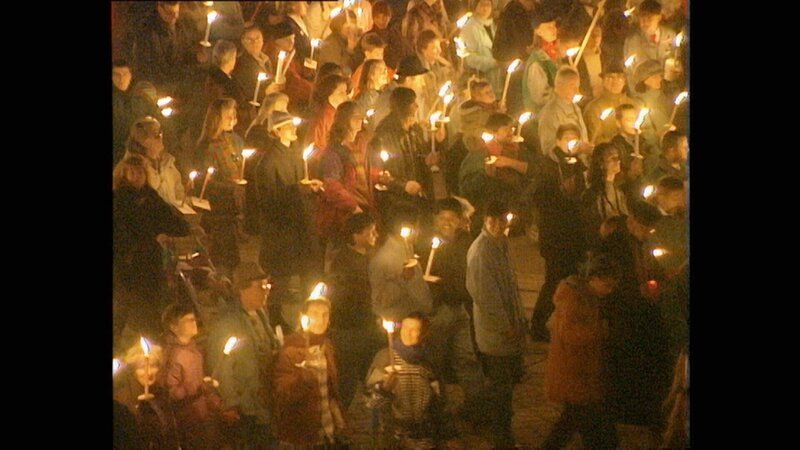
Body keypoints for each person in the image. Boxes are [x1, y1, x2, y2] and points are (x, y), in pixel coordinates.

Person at [596, 199, 671, 432]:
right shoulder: (615, 245)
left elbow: (651, 268)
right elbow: (609, 281)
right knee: (628, 366)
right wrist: (639, 290)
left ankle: (646, 411)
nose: (648, 233)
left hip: (643, 312)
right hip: (624, 315)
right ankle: (629, 412)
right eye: (645, 228)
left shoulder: (642, 242)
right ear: (632, 222)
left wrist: (661, 279)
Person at [541, 252, 621, 450]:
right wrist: (600, 330)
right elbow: (570, 334)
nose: (610, 291)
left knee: (573, 423)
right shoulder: (575, 298)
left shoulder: (589, 296)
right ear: (593, 278)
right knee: (585, 426)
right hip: (574, 373)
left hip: (582, 374)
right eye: (607, 285)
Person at [253, 111, 325, 329]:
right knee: (281, 283)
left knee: (306, 276)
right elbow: (269, 201)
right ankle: (276, 323)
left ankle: (308, 317)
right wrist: (298, 190)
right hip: (283, 233)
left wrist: (310, 188)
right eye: (289, 126)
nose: (294, 129)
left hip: (300, 228)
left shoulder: (293, 154)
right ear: (276, 131)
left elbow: (297, 186)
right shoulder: (267, 163)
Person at [466, 200, 527, 448]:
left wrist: (519, 319)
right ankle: (501, 436)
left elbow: (510, 287)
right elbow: (486, 296)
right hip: (496, 333)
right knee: (501, 388)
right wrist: (506, 326)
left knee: (505, 383)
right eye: (492, 220)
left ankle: (476, 414)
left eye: (502, 220)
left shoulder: (500, 244)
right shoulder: (481, 252)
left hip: (508, 328)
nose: (497, 225)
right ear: (485, 221)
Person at [113, 154, 190, 342]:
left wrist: (184, 227)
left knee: (151, 304)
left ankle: (150, 339)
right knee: (131, 306)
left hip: (152, 264)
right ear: (124, 174)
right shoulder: (118, 199)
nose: (137, 176)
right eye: (132, 172)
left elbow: (168, 219)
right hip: (130, 265)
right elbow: (121, 233)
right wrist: (151, 239)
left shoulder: (151, 196)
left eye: (140, 171)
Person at [206, 262, 281, 449]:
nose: (266, 291)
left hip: (265, 397)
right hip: (247, 405)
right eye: (260, 287)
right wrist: (231, 403)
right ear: (242, 289)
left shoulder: (260, 311)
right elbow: (222, 365)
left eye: (267, 285)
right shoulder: (228, 322)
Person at [529, 124, 589, 342]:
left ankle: (569, 318)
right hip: (555, 234)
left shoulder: (576, 163)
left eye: (575, 139)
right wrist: (561, 191)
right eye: (567, 139)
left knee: (573, 277)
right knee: (554, 278)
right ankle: (538, 323)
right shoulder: (547, 165)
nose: (571, 144)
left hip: (574, 232)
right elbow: (538, 197)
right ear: (558, 141)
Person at [365, 312, 457, 447]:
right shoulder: (385, 358)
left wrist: (444, 433)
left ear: (423, 334)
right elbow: (371, 403)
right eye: (405, 327)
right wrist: (384, 389)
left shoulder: (428, 362)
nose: (407, 333)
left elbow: (439, 401)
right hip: (394, 435)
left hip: (424, 435)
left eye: (414, 329)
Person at [273, 288, 348, 447]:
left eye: (325, 314)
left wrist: (339, 419)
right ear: (303, 317)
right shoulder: (290, 350)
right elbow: (281, 395)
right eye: (314, 313)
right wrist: (302, 379)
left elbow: (329, 390)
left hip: (327, 432)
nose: (320, 319)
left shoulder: (327, 346)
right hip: (303, 436)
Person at [328, 212, 384, 410]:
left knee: (372, 374)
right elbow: (348, 299)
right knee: (348, 380)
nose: (375, 235)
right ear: (356, 235)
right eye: (371, 232)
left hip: (366, 326)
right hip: (351, 330)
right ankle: (337, 422)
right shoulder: (345, 263)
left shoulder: (365, 256)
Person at [369, 87, 444, 213]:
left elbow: (422, 156)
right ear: (403, 106)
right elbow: (378, 172)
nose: (417, 106)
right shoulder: (383, 134)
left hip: (419, 196)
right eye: (413, 103)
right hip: (396, 200)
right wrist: (403, 186)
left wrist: (436, 144)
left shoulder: (414, 129)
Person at [459, 112, 537, 233]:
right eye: (505, 129)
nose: (510, 132)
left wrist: (511, 163)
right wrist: (486, 175)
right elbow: (467, 186)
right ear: (493, 132)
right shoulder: (479, 154)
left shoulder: (521, 150)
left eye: (511, 128)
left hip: (520, 213)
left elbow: (535, 171)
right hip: (491, 215)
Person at [195, 97, 245, 277]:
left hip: (232, 205)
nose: (233, 120)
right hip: (217, 207)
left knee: (231, 251)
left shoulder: (233, 141)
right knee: (221, 251)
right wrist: (229, 186)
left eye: (234, 115)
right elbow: (205, 181)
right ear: (216, 119)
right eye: (228, 117)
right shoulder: (207, 146)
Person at [160, 303, 222, 449]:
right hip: (189, 419)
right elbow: (172, 392)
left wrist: (212, 398)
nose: (194, 322)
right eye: (188, 320)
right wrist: (197, 387)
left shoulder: (193, 350)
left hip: (202, 414)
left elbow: (198, 379)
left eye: (194, 318)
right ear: (174, 327)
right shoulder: (174, 355)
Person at [316, 101, 374, 245]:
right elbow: (332, 185)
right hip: (346, 215)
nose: (360, 120)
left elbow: (366, 172)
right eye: (355, 117)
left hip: (365, 205)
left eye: (361, 116)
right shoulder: (334, 151)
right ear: (344, 120)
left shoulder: (362, 144)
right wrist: (353, 206)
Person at [369, 202, 435, 321]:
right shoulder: (384, 259)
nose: (419, 231)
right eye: (417, 226)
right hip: (400, 324)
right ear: (407, 227)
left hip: (418, 320)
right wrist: (402, 279)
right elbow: (379, 302)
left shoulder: (407, 250)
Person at [114, 341, 181, 449]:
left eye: (153, 365)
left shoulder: (160, 392)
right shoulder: (123, 398)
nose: (149, 372)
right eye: (142, 367)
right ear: (133, 370)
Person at [122, 116, 186, 208]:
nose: (161, 136)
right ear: (143, 141)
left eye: (161, 132)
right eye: (156, 134)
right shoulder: (134, 171)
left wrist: (186, 200)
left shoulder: (168, 163)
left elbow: (179, 194)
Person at [581, 142, 628, 246]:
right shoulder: (592, 194)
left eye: (618, 157)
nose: (617, 161)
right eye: (612, 158)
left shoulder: (619, 190)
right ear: (601, 163)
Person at [537, 66, 590, 158]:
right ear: (559, 86)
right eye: (571, 86)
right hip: (563, 168)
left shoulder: (575, 108)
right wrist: (577, 149)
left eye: (577, 87)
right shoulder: (549, 113)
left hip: (580, 165)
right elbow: (548, 148)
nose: (576, 91)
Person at [583, 62, 641, 146]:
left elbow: (644, 130)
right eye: (610, 77)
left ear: (625, 81)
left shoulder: (635, 105)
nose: (615, 81)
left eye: (619, 77)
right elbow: (595, 139)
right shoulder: (594, 108)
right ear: (603, 80)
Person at [521, 8, 560, 114]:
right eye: (549, 27)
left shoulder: (554, 54)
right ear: (538, 31)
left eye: (554, 25)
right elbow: (541, 97)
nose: (554, 30)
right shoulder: (537, 62)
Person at [623, 0, 676, 76]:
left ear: (659, 17)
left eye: (649, 17)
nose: (645, 22)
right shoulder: (633, 41)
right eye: (642, 18)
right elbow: (630, 72)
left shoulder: (671, 35)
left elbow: (676, 58)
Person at [459, 0, 501, 96]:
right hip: (480, 79)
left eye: (488, 5)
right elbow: (469, 58)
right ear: (476, 6)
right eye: (482, 5)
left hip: (496, 79)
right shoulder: (469, 28)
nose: (485, 8)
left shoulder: (493, 25)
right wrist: (494, 63)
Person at [233, 25, 280, 107]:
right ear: (242, 41)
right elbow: (245, 91)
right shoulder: (241, 64)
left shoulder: (267, 60)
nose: (254, 42)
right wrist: (264, 92)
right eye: (249, 40)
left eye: (257, 38)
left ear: (262, 40)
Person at [317, 9, 361, 78]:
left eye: (354, 25)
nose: (352, 29)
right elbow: (337, 72)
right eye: (348, 27)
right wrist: (349, 50)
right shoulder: (330, 45)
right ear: (339, 25)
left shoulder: (348, 40)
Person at [351, 32, 390, 97]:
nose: (381, 57)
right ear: (367, 54)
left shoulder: (385, 68)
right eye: (377, 54)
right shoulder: (361, 72)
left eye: (382, 54)